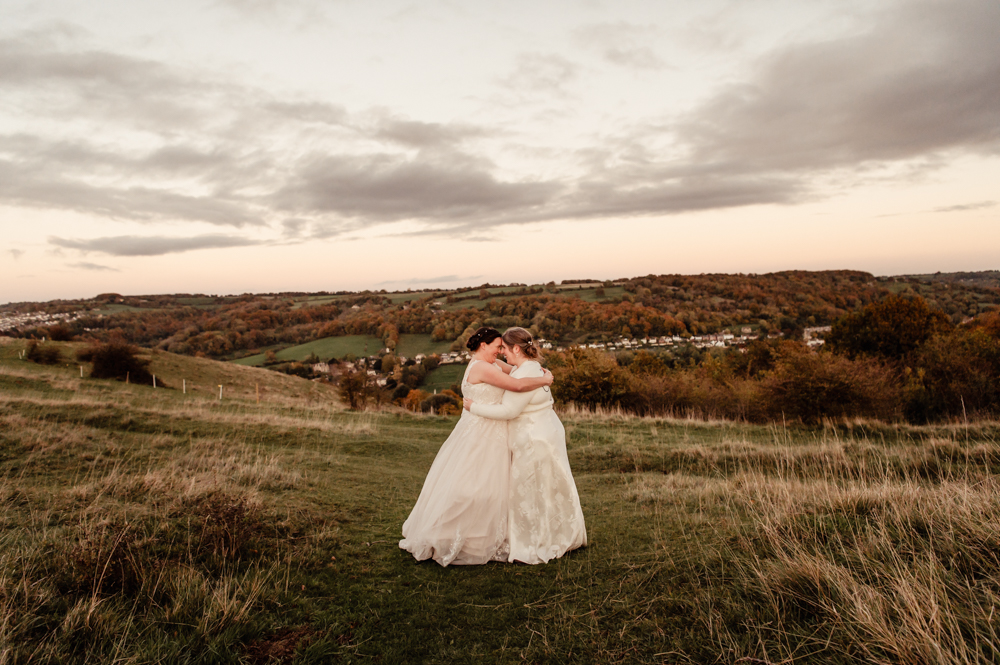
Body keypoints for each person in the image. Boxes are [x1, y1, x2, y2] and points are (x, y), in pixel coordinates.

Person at [399, 327, 554, 566]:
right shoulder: (481, 367)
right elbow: (516, 385)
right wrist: (544, 380)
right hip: (482, 432)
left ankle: (481, 535)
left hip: (492, 430)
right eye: (497, 347)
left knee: (491, 486)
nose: (500, 351)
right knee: (474, 485)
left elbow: (518, 369)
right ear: (484, 345)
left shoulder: (491, 364)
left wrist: (535, 367)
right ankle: (457, 535)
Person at [464, 327, 587, 564]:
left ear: (517, 349)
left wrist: (473, 407)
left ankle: (533, 543)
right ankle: (560, 533)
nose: (502, 353)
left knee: (531, 490)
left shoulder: (524, 374)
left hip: (533, 438)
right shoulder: (530, 368)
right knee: (550, 487)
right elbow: (506, 370)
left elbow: (509, 410)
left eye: (505, 348)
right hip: (546, 432)